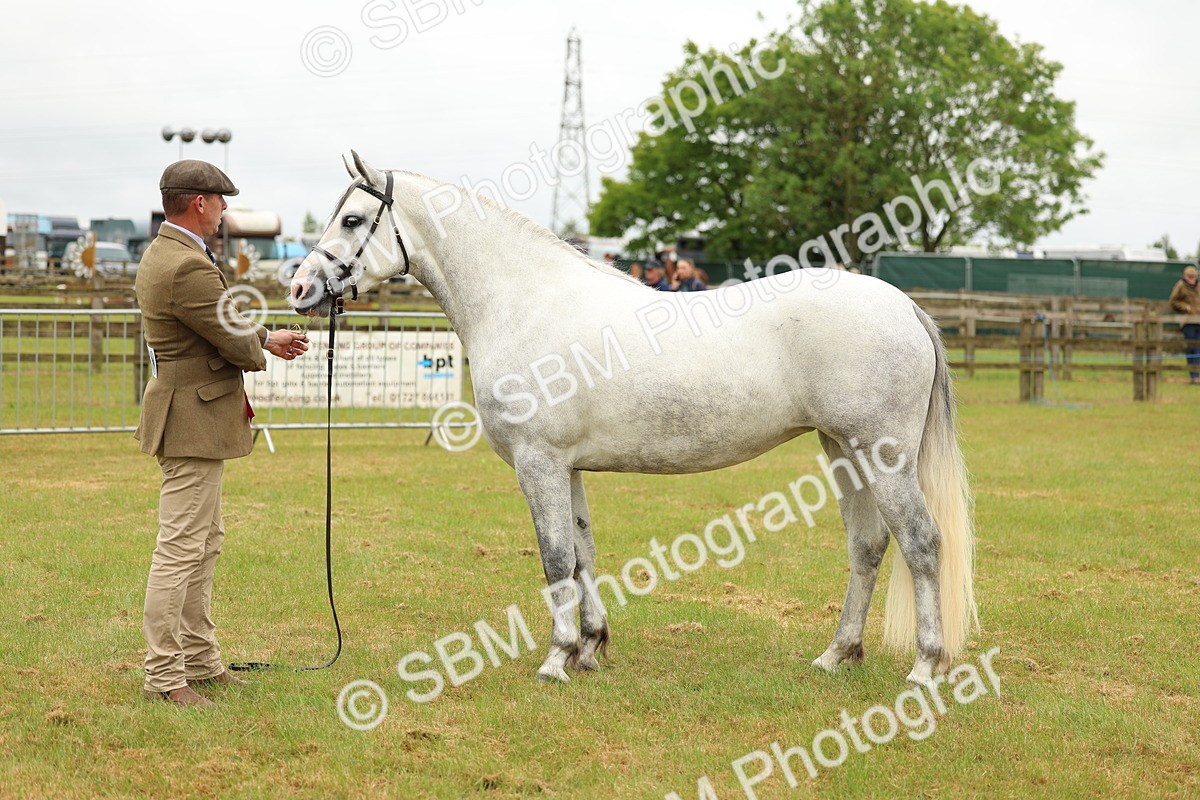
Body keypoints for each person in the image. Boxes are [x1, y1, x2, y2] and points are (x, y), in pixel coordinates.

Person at [136, 160, 310, 708]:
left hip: (193, 415)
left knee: (203, 544)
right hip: (193, 418)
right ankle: (166, 676)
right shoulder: (187, 265)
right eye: (220, 200)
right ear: (198, 203)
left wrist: (264, 335)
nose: (225, 210)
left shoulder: (170, 253)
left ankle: (201, 662)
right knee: (182, 548)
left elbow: (215, 322)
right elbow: (227, 337)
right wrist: (261, 346)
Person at [1169, 265, 1200, 384]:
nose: (1191, 279)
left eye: (1193, 277)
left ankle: (1197, 376)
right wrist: (1185, 307)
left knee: (1198, 349)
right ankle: (1193, 376)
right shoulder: (1180, 285)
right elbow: (1173, 301)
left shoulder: (1199, 286)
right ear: (1185, 276)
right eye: (1189, 277)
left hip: (1199, 321)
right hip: (1187, 322)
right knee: (1191, 348)